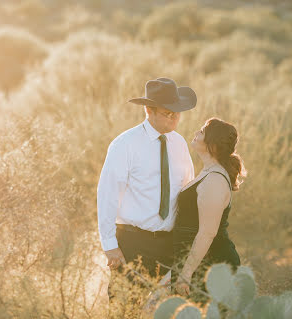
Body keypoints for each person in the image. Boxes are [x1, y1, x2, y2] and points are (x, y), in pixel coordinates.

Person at [96, 77, 197, 303]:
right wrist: (110, 246)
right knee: (125, 309)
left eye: (177, 113)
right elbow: (107, 195)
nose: (173, 118)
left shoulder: (180, 144)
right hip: (133, 244)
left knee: (166, 310)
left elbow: (187, 190)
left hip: (169, 245)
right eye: (167, 113)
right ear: (148, 110)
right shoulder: (125, 145)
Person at [171, 117, 246, 296]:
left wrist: (186, 273)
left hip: (211, 265)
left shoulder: (215, 180)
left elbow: (207, 232)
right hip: (195, 260)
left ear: (213, 144)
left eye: (203, 131)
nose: (197, 133)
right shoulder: (208, 172)